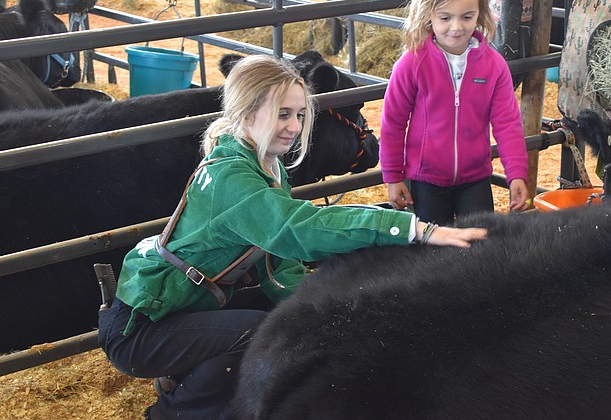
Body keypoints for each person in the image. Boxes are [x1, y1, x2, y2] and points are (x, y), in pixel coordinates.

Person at [98, 54, 487, 420]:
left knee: (284, 324)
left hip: (188, 306)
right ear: (247, 112)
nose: (295, 127)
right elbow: (297, 228)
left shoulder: (265, 164)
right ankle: (170, 413)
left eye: (300, 114)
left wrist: (319, 314)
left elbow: (276, 265)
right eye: (282, 114)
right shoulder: (231, 176)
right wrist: (410, 229)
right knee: (260, 334)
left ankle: (183, 381)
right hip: (141, 327)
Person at [381, 0, 530, 226]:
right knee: (432, 244)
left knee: (480, 241)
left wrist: (516, 173)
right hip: (426, 178)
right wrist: (393, 176)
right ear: (428, 14)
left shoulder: (494, 65)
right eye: (445, 18)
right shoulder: (412, 63)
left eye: (467, 17)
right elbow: (393, 122)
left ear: (480, 13)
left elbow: (507, 123)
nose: (457, 27)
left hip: (475, 178)